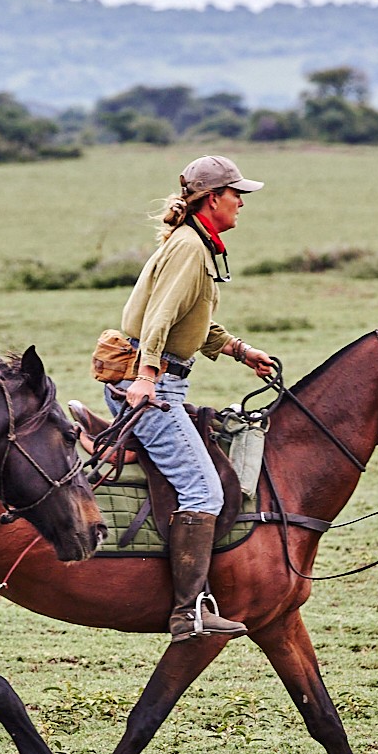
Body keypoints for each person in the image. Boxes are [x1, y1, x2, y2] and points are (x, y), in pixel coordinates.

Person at [106, 155, 276, 642]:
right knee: (205, 490)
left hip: (158, 378)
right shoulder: (190, 249)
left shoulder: (196, 245)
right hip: (152, 384)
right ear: (211, 198)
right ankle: (187, 615)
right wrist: (147, 377)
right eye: (235, 193)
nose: (241, 202)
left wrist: (240, 351)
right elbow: (159, 319)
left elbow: (190, 320)